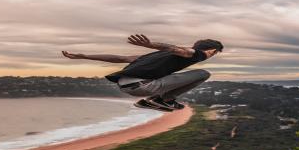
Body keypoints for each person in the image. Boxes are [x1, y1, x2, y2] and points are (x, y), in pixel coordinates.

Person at [62, 34, 223, 111]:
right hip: (143, 86)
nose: (212, 56)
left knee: (170, 75)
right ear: (212, 51)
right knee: (203, 73)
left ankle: (150, 101)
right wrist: (151, 44)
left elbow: (118, 58)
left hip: (127, 86)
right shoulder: (197, 54)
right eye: (214, 53)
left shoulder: (153, 57)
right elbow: (177, 49)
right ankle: (165, 100)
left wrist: (84, 56)